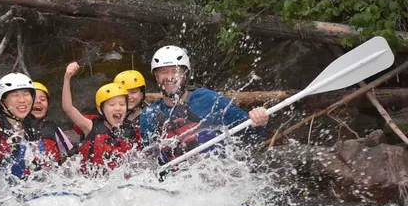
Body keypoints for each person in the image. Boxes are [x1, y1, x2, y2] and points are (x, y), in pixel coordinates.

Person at [140, 45, 269, 164]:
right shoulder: (149, 114)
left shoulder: (207, 99)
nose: (170, 77)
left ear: (185, 74)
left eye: (175, 71)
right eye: (163, 72)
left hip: (214, 175)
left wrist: (259, 120)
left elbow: (252, 133)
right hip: (174, 181)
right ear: (156, 77)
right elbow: (150, 161)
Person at [62, 62, 142, 174]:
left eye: (122, 104)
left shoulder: (131, 131)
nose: (118, 108)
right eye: (112, 105)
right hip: (90, 183)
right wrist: (67, 78)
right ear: (100, 110)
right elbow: (68, 108)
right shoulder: (89, 126)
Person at [31, 82, 74, 164]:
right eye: (33, 99)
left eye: (43, 99)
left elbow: (66, 157)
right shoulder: (17, 128)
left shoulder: (53, 129)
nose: (38, 101)